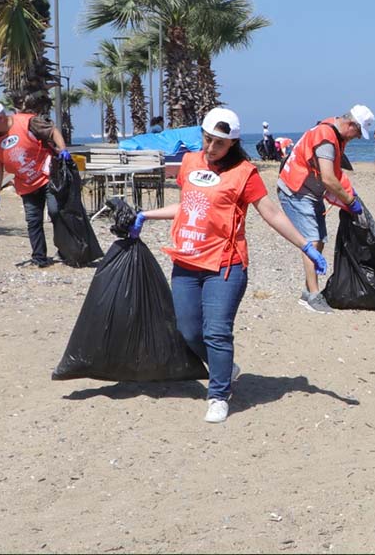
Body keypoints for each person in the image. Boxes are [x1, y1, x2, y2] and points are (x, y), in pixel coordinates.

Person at [129, 107, 326, 424]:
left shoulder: (245, 173)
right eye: (206, 140)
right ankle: (226, 367)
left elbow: (270, 212)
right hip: (187, 259)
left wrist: (304, 245)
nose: (209, 148)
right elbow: (189, 204)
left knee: (217, 332)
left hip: (226, 264)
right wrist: (146, 216)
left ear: (232, 143)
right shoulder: (191, 162)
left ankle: (219, 394)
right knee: (188, 330)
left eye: (218, 143)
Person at [277, 104, 375, 312]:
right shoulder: (327, 138)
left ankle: (308, 291)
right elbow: (329, 178)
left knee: (320, 239)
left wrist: (351, 197)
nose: (357, 137)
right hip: (295, 191)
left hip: (309, 193)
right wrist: (350, 202)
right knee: (311, 240)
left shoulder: (333, 129)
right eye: (358, 132)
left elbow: (335, 174)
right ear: (351, 124)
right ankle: (313, 296)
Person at [0, 98, 72, 268]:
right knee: (33, 220)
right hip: (25, 184)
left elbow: (52, 131)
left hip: (47, 175)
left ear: (0, 117)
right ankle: (39, 258)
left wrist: (63, 149)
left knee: (55, 211)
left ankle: (65, 251)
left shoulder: (27, 122)